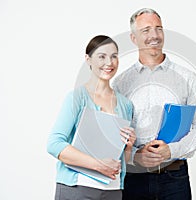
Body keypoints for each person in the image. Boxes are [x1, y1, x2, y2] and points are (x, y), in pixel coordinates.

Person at [113, 8, 196, 200]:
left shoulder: (187, 78)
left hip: (175, 178)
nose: (154, 36)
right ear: (133, 38)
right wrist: (135, 156)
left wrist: (171, 150)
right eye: (146, 30)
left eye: (159, 29)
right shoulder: (120, 84)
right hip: (134, 178)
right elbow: (114, 133)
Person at [47, 35, 136, 200]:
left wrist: (129, 147)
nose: (109, 63)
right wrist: (99, 165)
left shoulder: (126, 104)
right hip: (78, 188)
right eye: (101, 56)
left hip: (113, 190)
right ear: (88, 60)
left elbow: (123, 160)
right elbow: (54, 144)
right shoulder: (77, 98)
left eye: (114, 56)